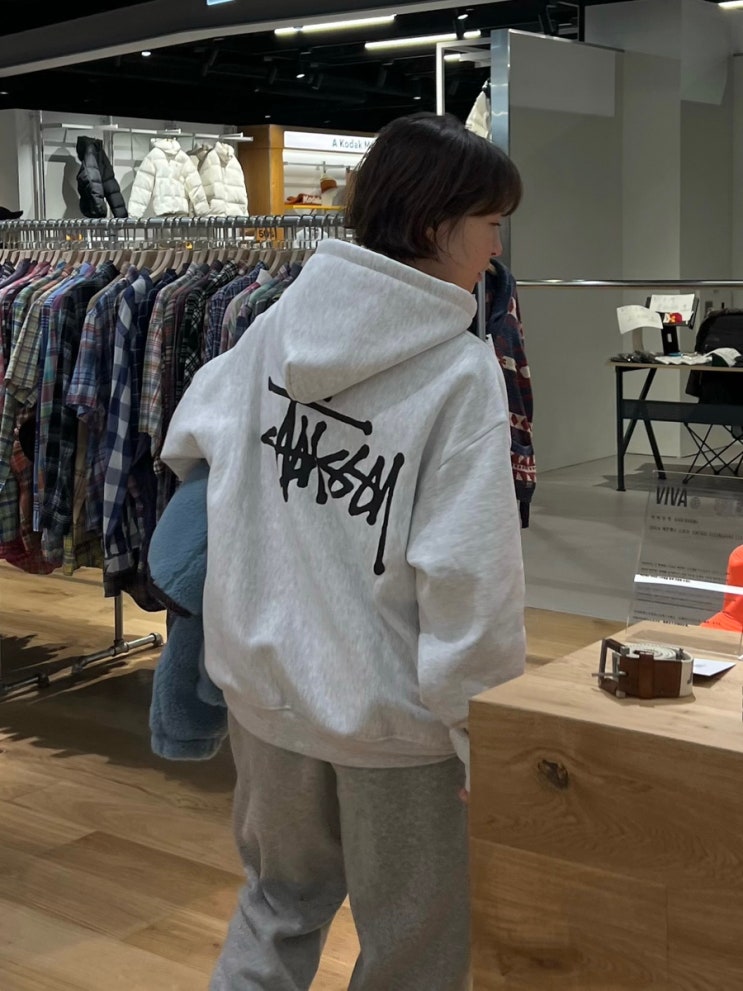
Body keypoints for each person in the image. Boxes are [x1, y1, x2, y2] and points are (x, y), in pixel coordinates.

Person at [160, 112, 526, 991]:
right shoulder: (458, 368)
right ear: (434, 224)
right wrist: (478, 733)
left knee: (275, 906)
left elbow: (187, 444)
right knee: (413, 951)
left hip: (265, 694)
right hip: (393, 722)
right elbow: (468, 575)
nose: (496, 246)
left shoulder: (274, 325)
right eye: (490, 222)